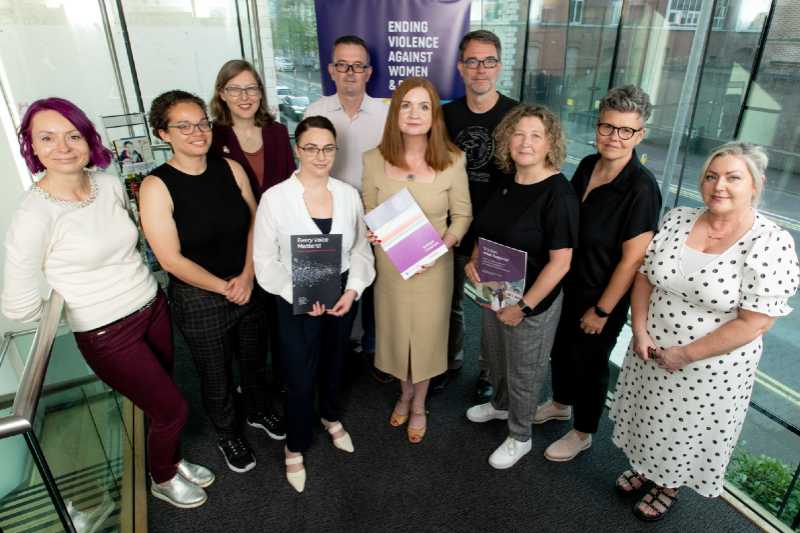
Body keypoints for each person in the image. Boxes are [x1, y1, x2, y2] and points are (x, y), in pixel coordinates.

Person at [1, 97, 213, 509]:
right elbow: (19, 305)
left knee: (161, 400)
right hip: (105, 332)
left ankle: (171, 458)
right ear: (32, 146)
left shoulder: (109, 184)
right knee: (173, 408)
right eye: (48, 137)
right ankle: (162, 477)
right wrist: (80, 301)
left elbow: (127, 246)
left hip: (152, 306)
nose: (63, 146)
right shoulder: (34, 214)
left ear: (87, 139)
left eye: (73, 135)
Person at [610, 142, 799, 521]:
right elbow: (645, 276)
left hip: (709, 373)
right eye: (711, 176)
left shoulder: (771, 242)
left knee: (684, 432)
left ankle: (669, 484)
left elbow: (756, 322)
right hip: (650, 350)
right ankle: (647, 467)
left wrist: (684, 355)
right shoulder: (679, 218)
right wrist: (641, 331)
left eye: (733, 177)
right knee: (649, 416)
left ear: (756, 184)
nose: (719, 186)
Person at [139, 90, 284, 476]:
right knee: (215, 374)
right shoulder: (156, 186)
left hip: (247, 282)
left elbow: (257, 221)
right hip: (200, 297)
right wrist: (224, 287)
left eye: (201, 122)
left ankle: (257, 410)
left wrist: (248, 275)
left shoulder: (231, 168)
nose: (197, 132)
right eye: (183, 126)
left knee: (255, 360)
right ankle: (227, 433)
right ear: (162, 133)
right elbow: (170, 259)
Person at [535, 85, 662, 462]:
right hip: (568, 283)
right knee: (561, 351)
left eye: (626, 130)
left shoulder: (642, 189)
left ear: (640, 135)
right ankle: (560, 403)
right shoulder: (590, 164)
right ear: (597, 126)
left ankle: (583, 432)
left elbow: (632, 261)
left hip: (601, 295)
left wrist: (603, 311)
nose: (614, 137)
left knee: (590, 366)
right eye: (608, 127)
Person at [253, 115, 375, 493]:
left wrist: (353, 289)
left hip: (340, 290)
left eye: (328, 148)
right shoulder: (275, 198)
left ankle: (331, 416)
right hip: (295, 293)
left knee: (335, 360)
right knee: (299, 373)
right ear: (296, 149)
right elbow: (264, 260)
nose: (320, 156)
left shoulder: (348, 194)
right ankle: (295, 444)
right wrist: (300, 295)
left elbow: (360, 250)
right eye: (311, 148)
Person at [464, 104, 578, 469]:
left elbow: (561, 263)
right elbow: (487, 231)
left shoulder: (559, 194)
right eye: (518, 133)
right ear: (507, 139)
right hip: (495, 292)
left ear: (550, 144)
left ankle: (520, 435)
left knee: (524, 372)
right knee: (495, 357)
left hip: (532, 304)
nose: (525, 143)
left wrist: (524, 307)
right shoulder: (507, 181)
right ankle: (499, 406)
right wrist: (473, 260)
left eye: (535, 136)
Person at [362, 77, 472, 443]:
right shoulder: (373, 160)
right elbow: (368, 207)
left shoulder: (454, 160)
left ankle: (419, 402)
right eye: (406, 105)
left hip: (433, 269)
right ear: (395, 112)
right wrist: (372, 230)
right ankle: (403, 393)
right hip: (391, 269)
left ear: (434, 115)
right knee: (395, 335)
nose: (414, 113)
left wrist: (442, 247)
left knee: (425, 340)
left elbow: (463, 216)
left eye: (423, 106)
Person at [209, 58, 295, 415]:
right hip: (239, 242)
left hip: (280, 237)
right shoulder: (212, 137)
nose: (244, 96)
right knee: (249, 318)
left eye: (251, 88)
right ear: (221, 94)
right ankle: (252, 385)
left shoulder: (275, 132)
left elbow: (290, 181)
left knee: (281, 310)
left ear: (261, 92)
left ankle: (283, 377)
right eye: (235, 89)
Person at [305, 35, 389, 381]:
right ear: (331, 70)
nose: (350, 72)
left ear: (369, 72)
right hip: (328, 217)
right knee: (329, 286)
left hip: (376, 214)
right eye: (343, 65)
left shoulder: (386, 114)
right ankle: (335, 354)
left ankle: (373, 349)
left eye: (358, 66)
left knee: (377, 287)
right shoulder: (315, 111)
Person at [441, 29, 518, 399]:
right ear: (460, 67)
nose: (480, 69)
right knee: (448, 302)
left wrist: (490, 239)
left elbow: (524, 182)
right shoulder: (446, 115)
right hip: (452, 228)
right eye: (472, 61)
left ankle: (490, 373)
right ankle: (450, 360)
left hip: (500, 235)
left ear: (499, 67)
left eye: (488, 61)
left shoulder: (516, 115)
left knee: (496, 310)